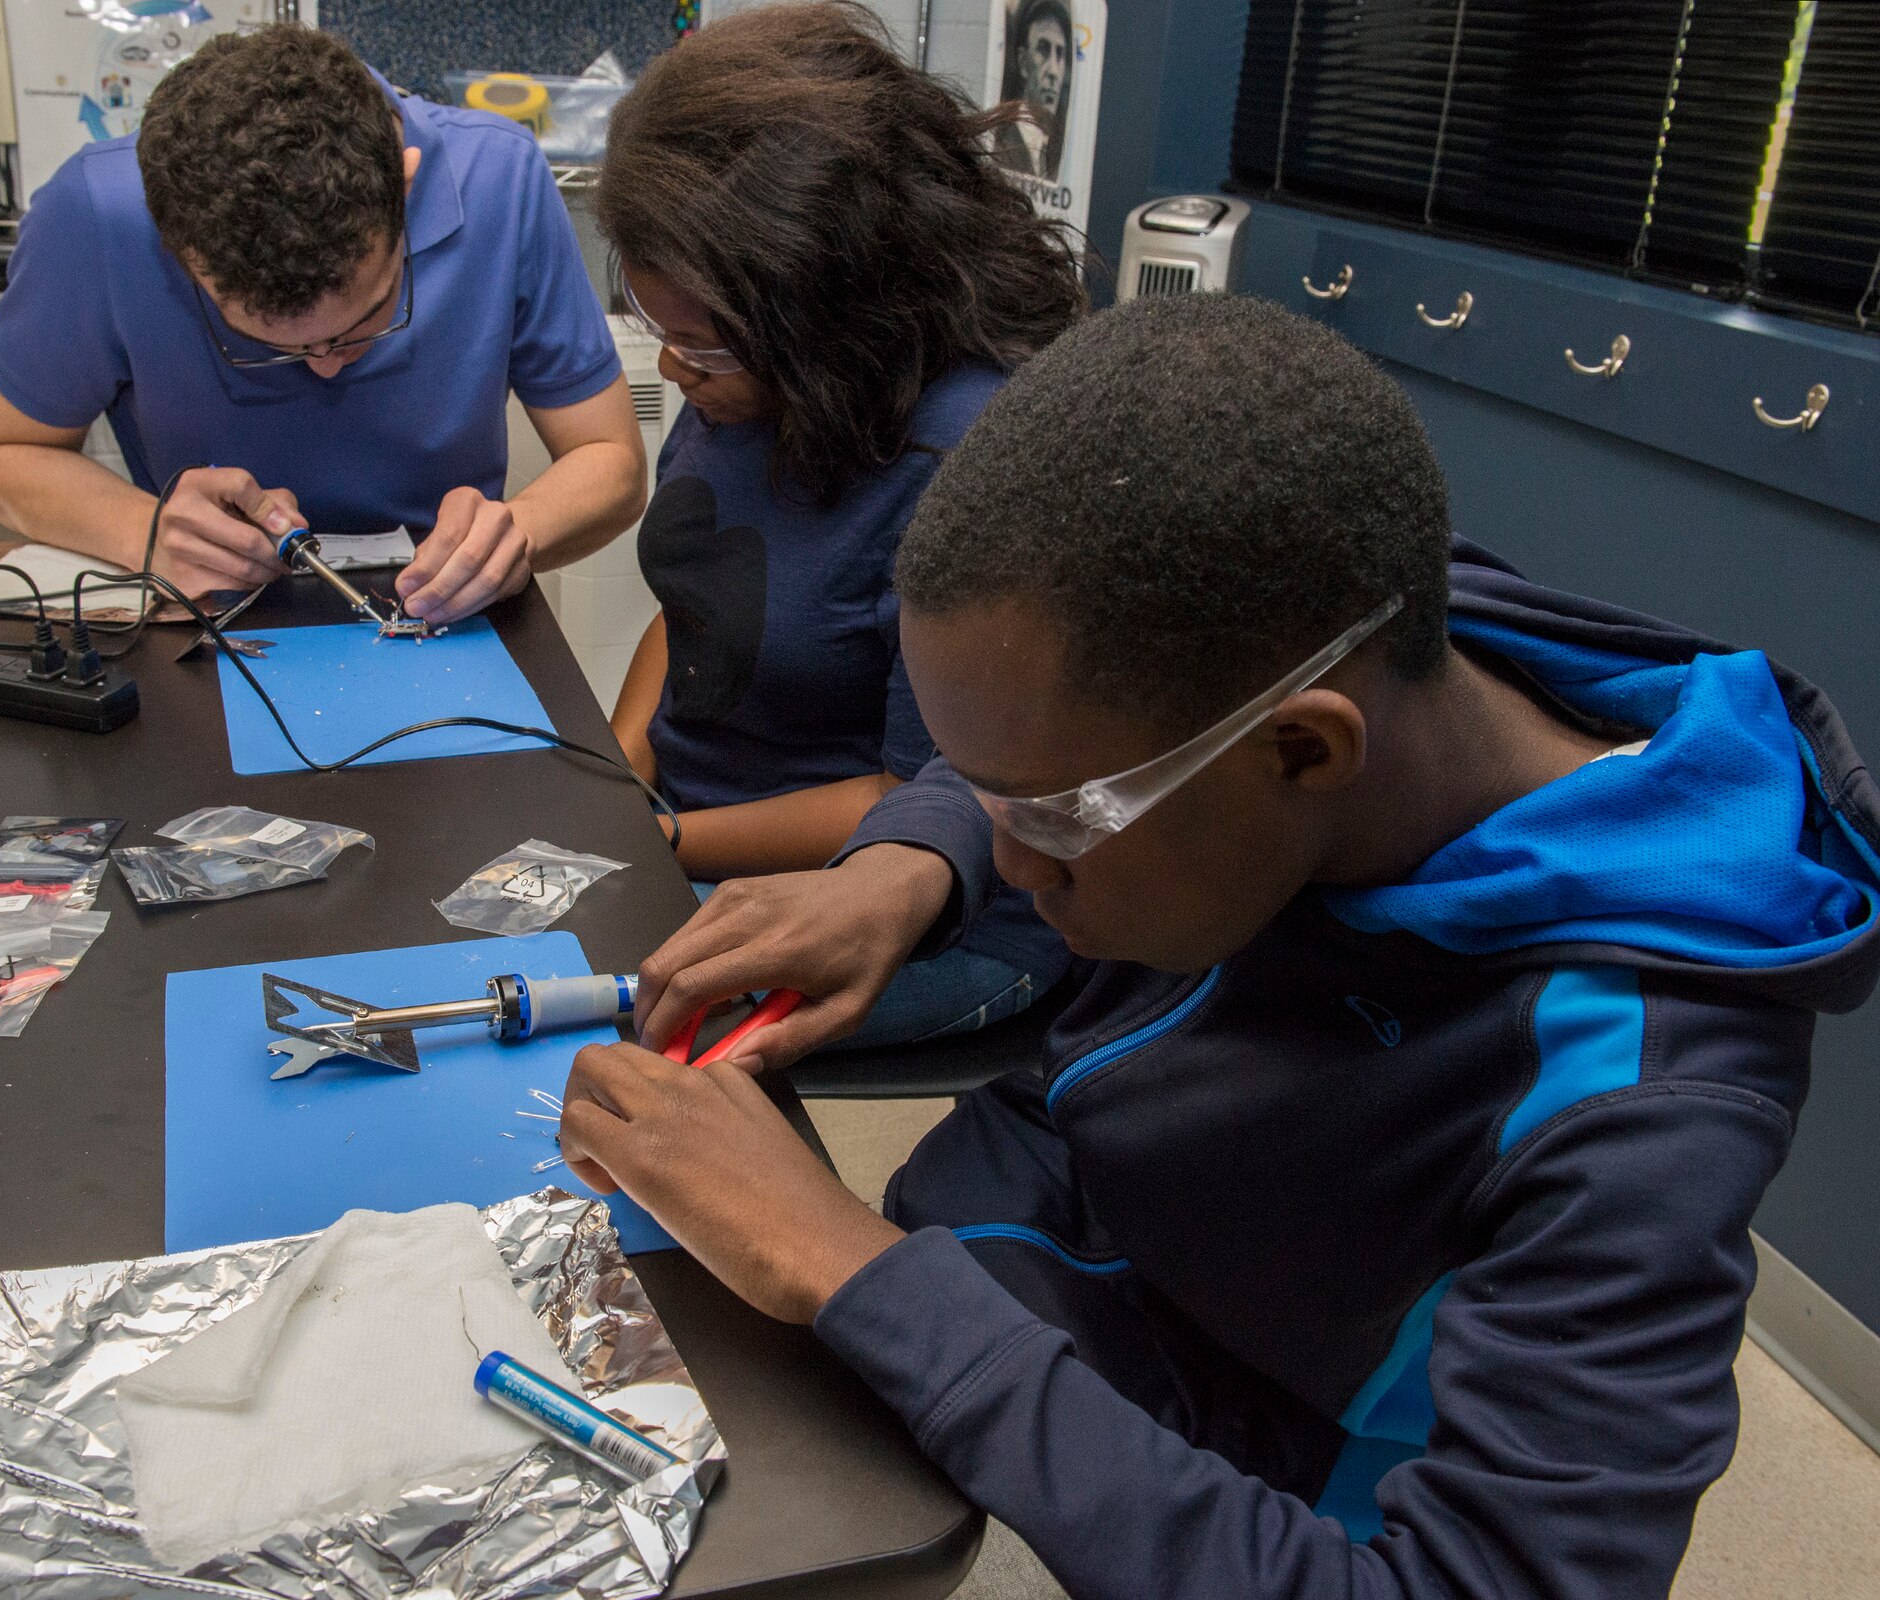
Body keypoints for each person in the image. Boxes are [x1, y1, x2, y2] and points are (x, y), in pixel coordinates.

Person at [552, 294, 1880, 1596]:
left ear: (1306, 748)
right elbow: (1071, 739)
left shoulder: (1639, 1108)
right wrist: (918, 862)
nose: (1019, 871)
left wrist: (855, 1274)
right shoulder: (1311, 614)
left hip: (1259, 1484)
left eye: (1052, 819)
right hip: (1076, 1237)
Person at [595, 3, 1085, 1047]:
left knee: (573, 1004)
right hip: (696, 833)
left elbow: (916, 792)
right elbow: (699, 612)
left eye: (700, 347)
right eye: (658, 332)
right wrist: (618, 761)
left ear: (825, 313)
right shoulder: (747, 377)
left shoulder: (967, 455)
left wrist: (660, 842)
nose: (674, 371)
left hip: (911, 901)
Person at [0, 25, 646, 628]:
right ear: (174, 248)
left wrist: (517, 532)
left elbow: (610, 460)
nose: (325, 366)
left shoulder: (501, 179)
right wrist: (150, 533)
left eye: (364, 323)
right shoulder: (95, 215)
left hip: (450, 612)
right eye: (269, 346)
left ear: (403, 188)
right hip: (207, 615)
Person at [992, 0, 1071, 181]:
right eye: (1043, 49)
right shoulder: (1000, 139)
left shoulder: (1058, 151)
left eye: (1060, 54)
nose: (1053, 71)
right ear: (1023, 62)